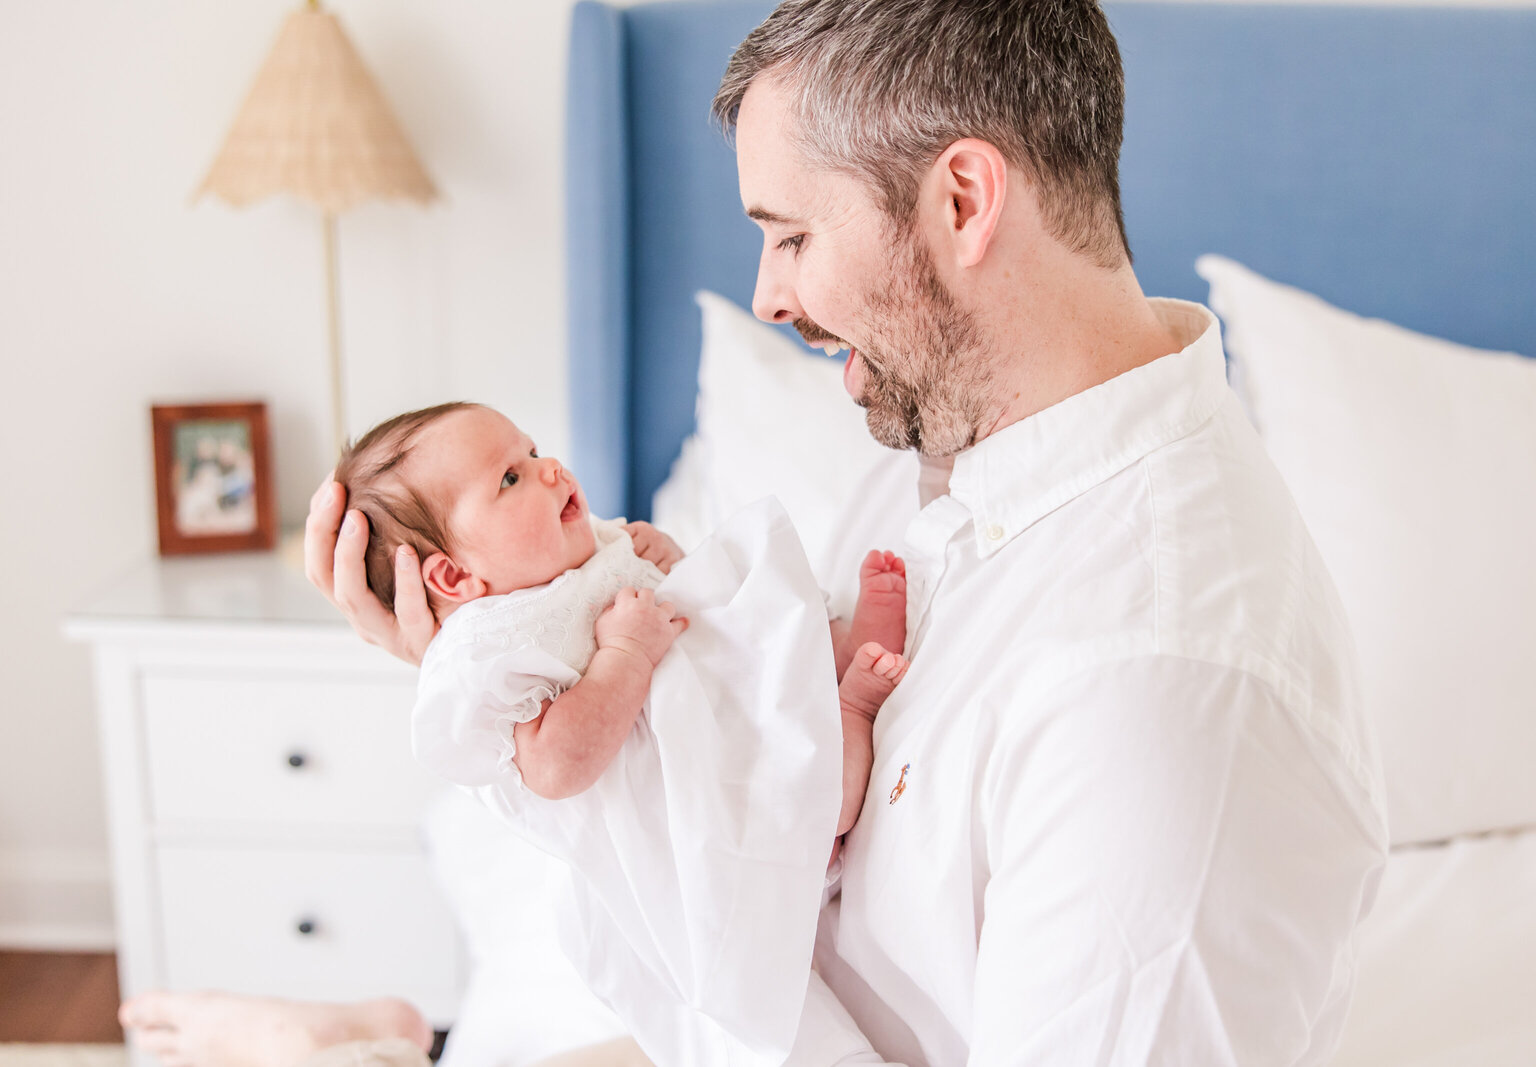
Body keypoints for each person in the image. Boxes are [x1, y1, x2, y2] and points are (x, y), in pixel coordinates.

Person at [126, 1, 1388, 1064]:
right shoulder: (946, 456)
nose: (770, 296)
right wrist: (492, 645)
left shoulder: (1156, 694)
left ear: (960, 199)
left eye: (790, 233)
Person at [335, 399, 909, 1060]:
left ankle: (842, 662)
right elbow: (554, 767)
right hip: (689, 811)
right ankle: (855, 707)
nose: (548, 469)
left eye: (531, 451)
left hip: (725, 710)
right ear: (453, 576)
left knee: (780, 629)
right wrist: (624, 656)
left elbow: (702, 615)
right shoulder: (488, 648)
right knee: (821, 797)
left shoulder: (589, 550)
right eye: (510, 480)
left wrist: (668, 564)